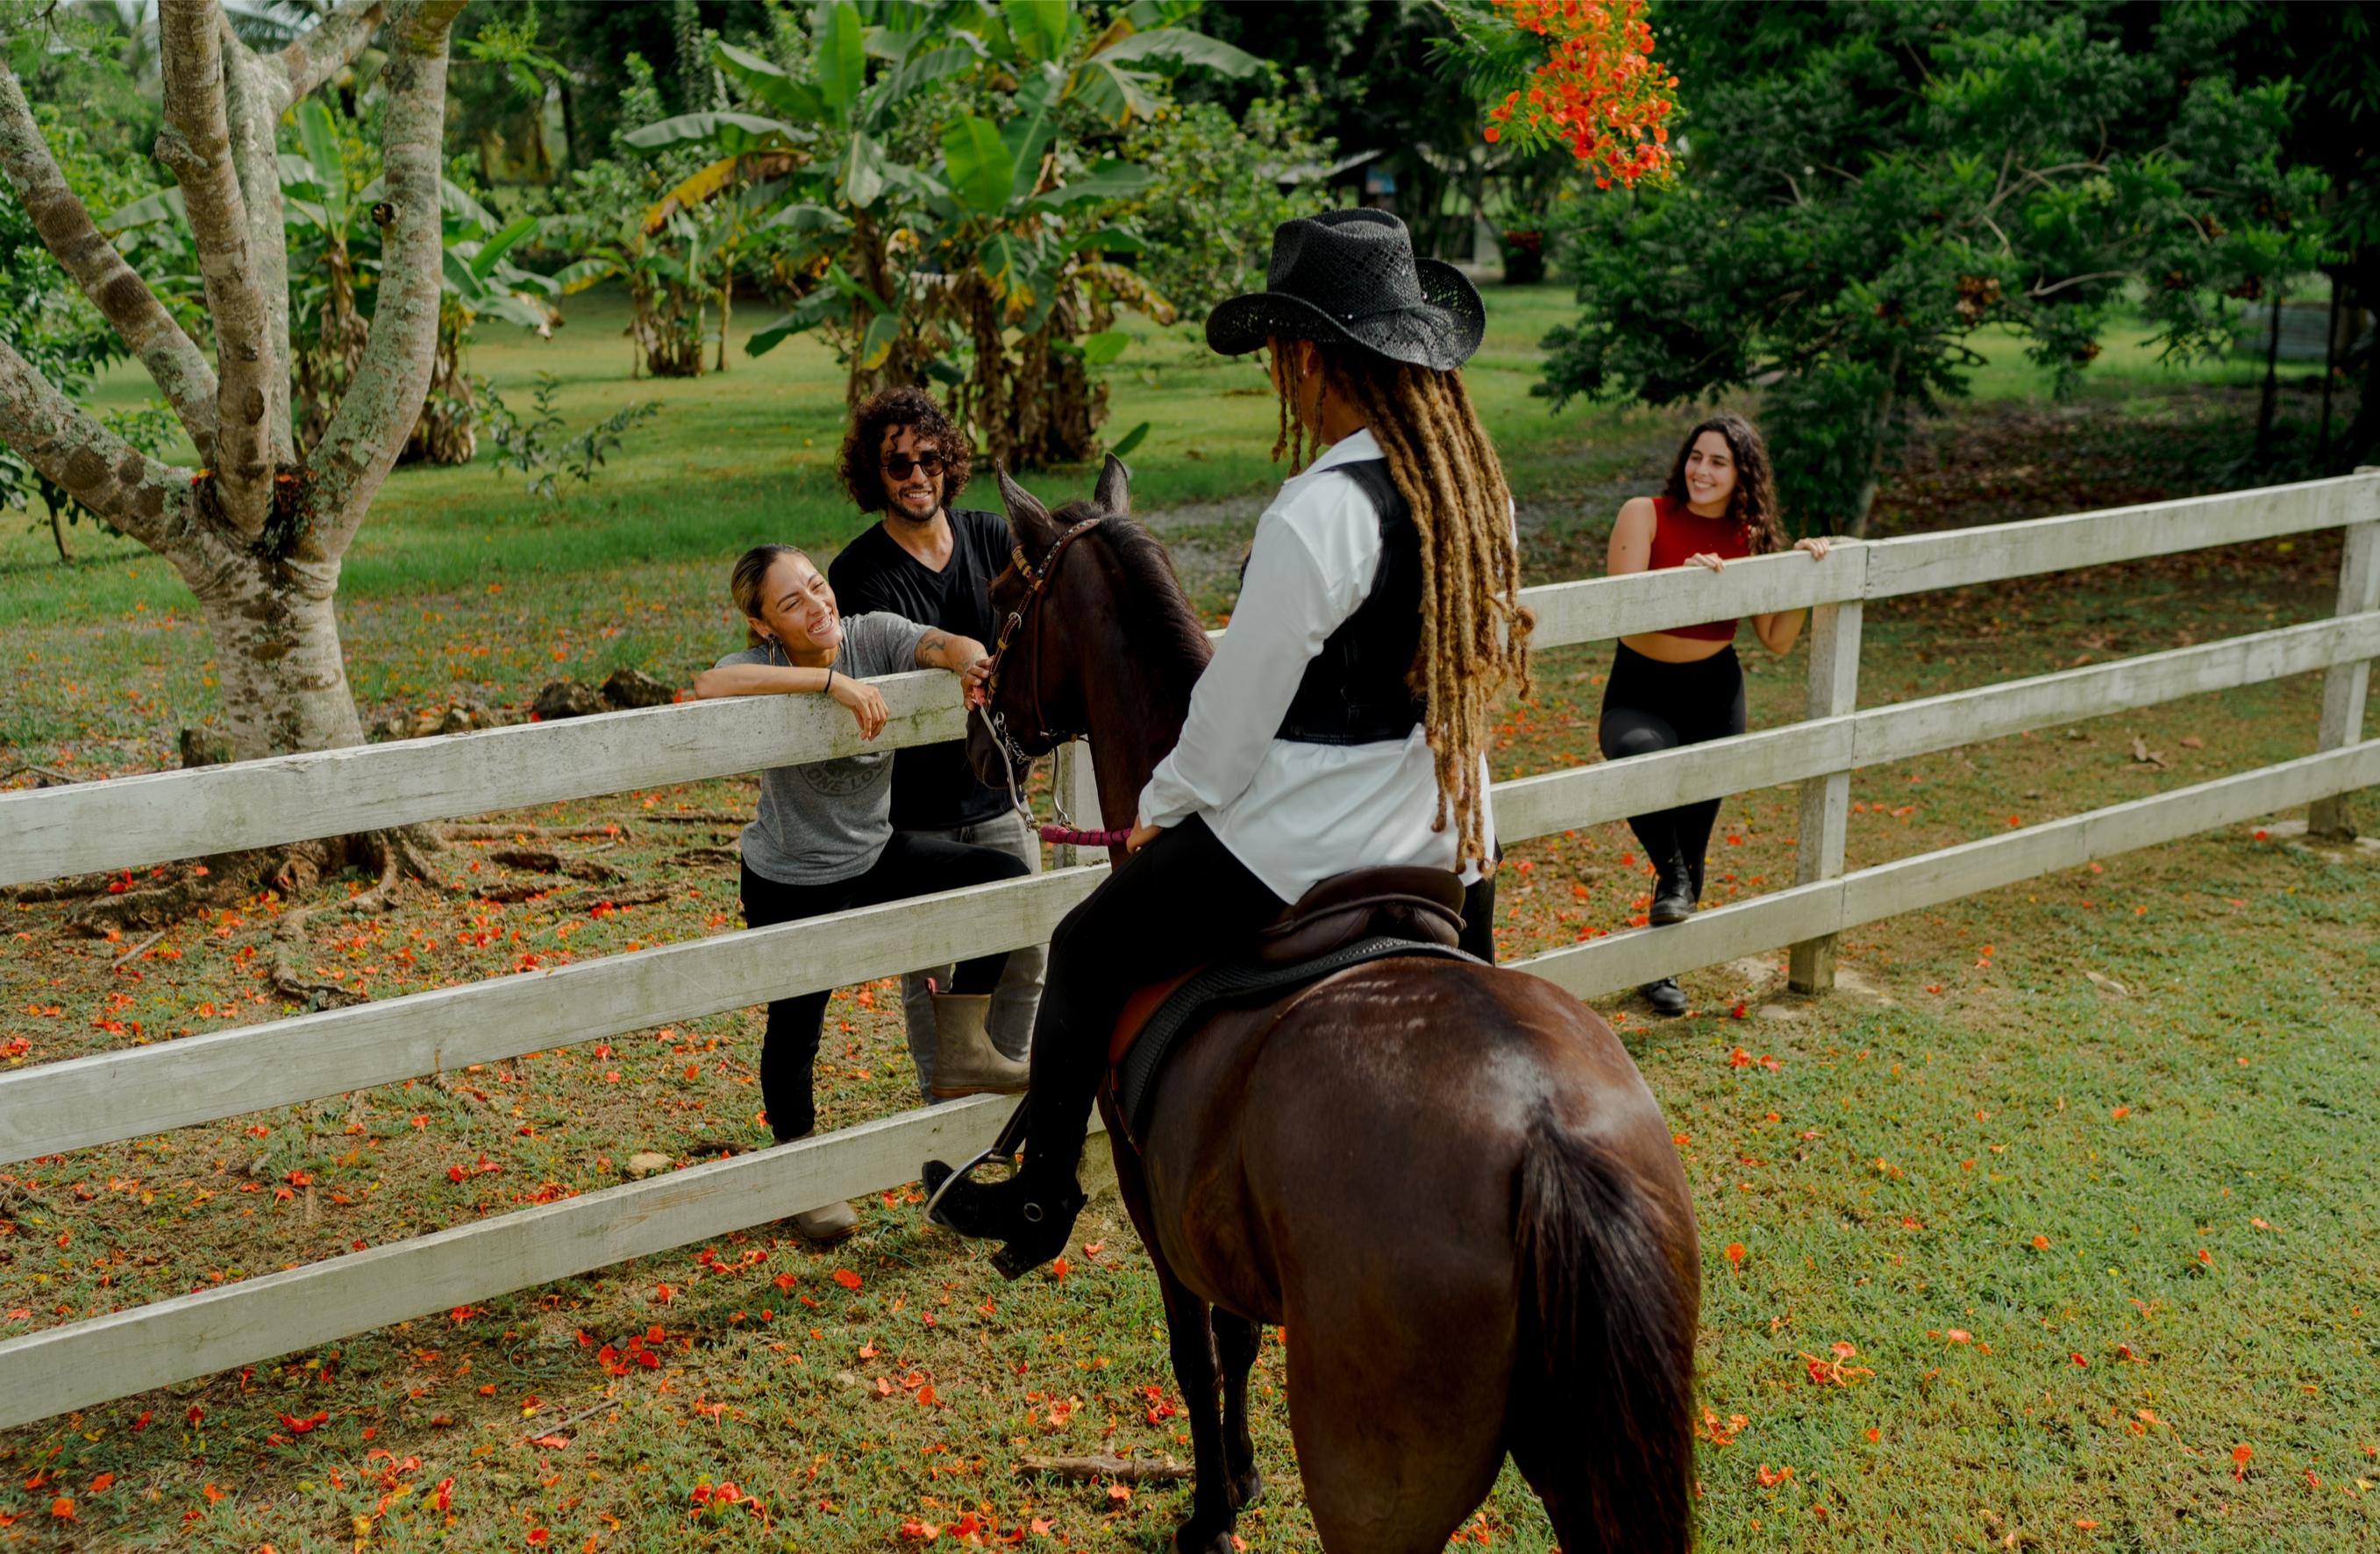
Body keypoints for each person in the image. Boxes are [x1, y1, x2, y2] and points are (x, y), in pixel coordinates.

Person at [923, 209, 1533, 1275]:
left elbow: (1236, 718)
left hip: (1299, 843)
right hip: (1443, 829)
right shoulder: (1473, 491)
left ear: (1306, 356)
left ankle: (1039, 1194)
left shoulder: (1315, 512)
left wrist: (1160, 808)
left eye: (1277, 357)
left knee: (1086, 948)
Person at [693, 545, 1029, 1241]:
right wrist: (828, 687)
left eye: (817, 587)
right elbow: (709, 686)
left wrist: (967, 659)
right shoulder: (763, 666)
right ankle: (803, 1181)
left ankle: (965, 1044)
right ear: (763, 625)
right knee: (797, 1029)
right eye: (792, 603)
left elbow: (937, 642)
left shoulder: (869, 632)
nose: (817, 606)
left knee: (1003, 882)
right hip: (791, 876)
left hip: (874, 852)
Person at [826, 388, 1044, 1102]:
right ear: (874, 475)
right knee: (931, 973)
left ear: (947, 463)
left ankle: (1005, 1091)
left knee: (1026, 948)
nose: (916, 476)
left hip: (998, 790)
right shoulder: (857, 572)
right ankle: (944, 1104)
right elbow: (889, 650)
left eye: (928, 459)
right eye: (897, 465)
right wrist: (952, 654)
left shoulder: (991, 538)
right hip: (914, 806)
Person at [1598, 412, 1831, 1016]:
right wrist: (1683, 582)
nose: (1702, 470)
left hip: (1714, 693)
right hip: (1641, 688)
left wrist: (1806, 576)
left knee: (1695, 836)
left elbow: (1776, 639)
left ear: (1741, 474)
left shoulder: (1750, 535)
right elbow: (1615, 609)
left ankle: (1662, 969)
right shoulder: (1644, 514)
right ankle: (1670, 878)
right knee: (1636, 764)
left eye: (1718, 462)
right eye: (1696, 456)